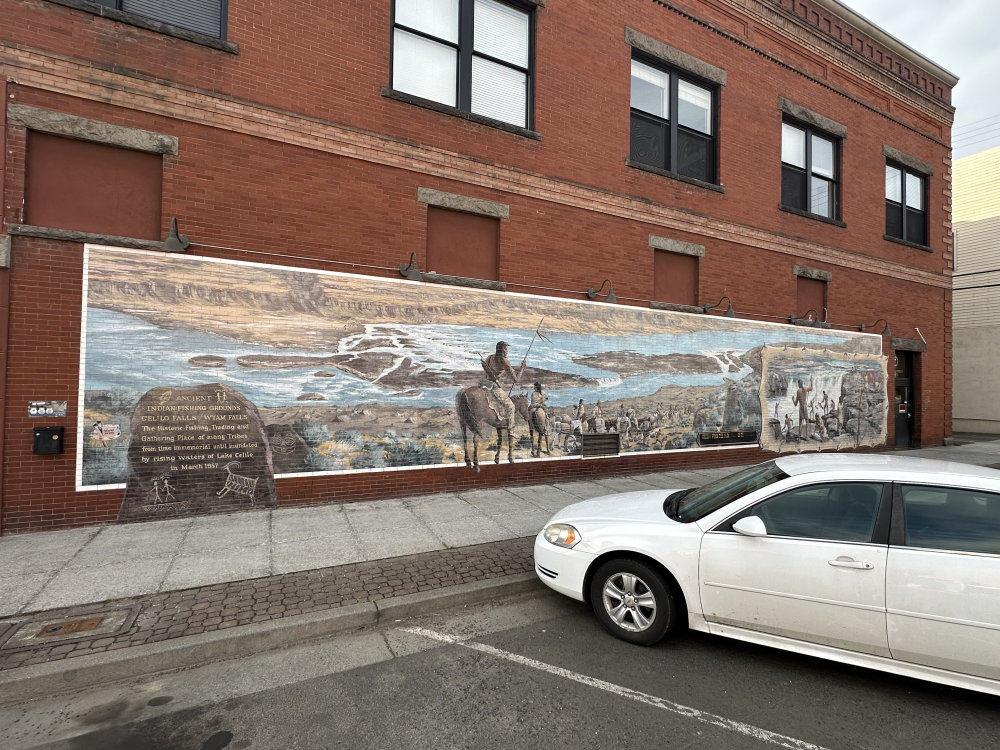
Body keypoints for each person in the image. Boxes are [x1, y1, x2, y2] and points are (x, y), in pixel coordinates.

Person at [481, 341, 526, 436]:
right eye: (506, 349)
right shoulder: (504, 361)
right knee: (511, 406)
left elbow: (486, 372)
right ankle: (511, 430)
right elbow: (516, 379)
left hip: (483, 384)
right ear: (502, 350)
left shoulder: (490, 357)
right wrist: (522, 368)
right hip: (493, 387)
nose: (507, 351)